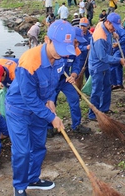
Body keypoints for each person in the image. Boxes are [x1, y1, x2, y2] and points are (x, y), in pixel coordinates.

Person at [5, 20, 77, 196]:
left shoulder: (61, 59)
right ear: (47, 40)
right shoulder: (29, 62)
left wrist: (51, 99)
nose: (62, 53)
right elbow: (28, 98)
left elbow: (53, 84)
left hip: (40, 108)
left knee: (39, 146)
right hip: (19, 109)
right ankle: (20, 186)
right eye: (59, 47)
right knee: (22, 151)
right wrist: (51, 117)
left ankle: (32, 179)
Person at [88, 13, 125, 121]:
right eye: (113, 27)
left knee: (107, 87)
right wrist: (118, 60)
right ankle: (93, 113)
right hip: (98, 66)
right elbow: (103, 57)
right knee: (97, 90)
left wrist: (113, 33)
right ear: (108, 22)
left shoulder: (103, 25)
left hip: (105, 65)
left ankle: (104, 109)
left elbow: (109, 30)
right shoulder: (100, 37)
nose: (114, 29)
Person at [111, 20, 125, 91]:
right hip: (115, 49)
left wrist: (118, 43)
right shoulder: (111, 30)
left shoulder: (119, 29)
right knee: (118, 65)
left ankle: (114, 83)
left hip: (121, 49)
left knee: (113, 63)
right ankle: (119, 83)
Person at [78, 18, 93, 82]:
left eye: (84, 26)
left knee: (88, 74)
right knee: (79, 74)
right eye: (81, 26)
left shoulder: (91, 35)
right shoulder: (77, 35)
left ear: (88, 26)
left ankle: (87, 88)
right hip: (80, 58)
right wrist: (85, 47)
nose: (82, 28)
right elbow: (76, 47)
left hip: (89, 58)